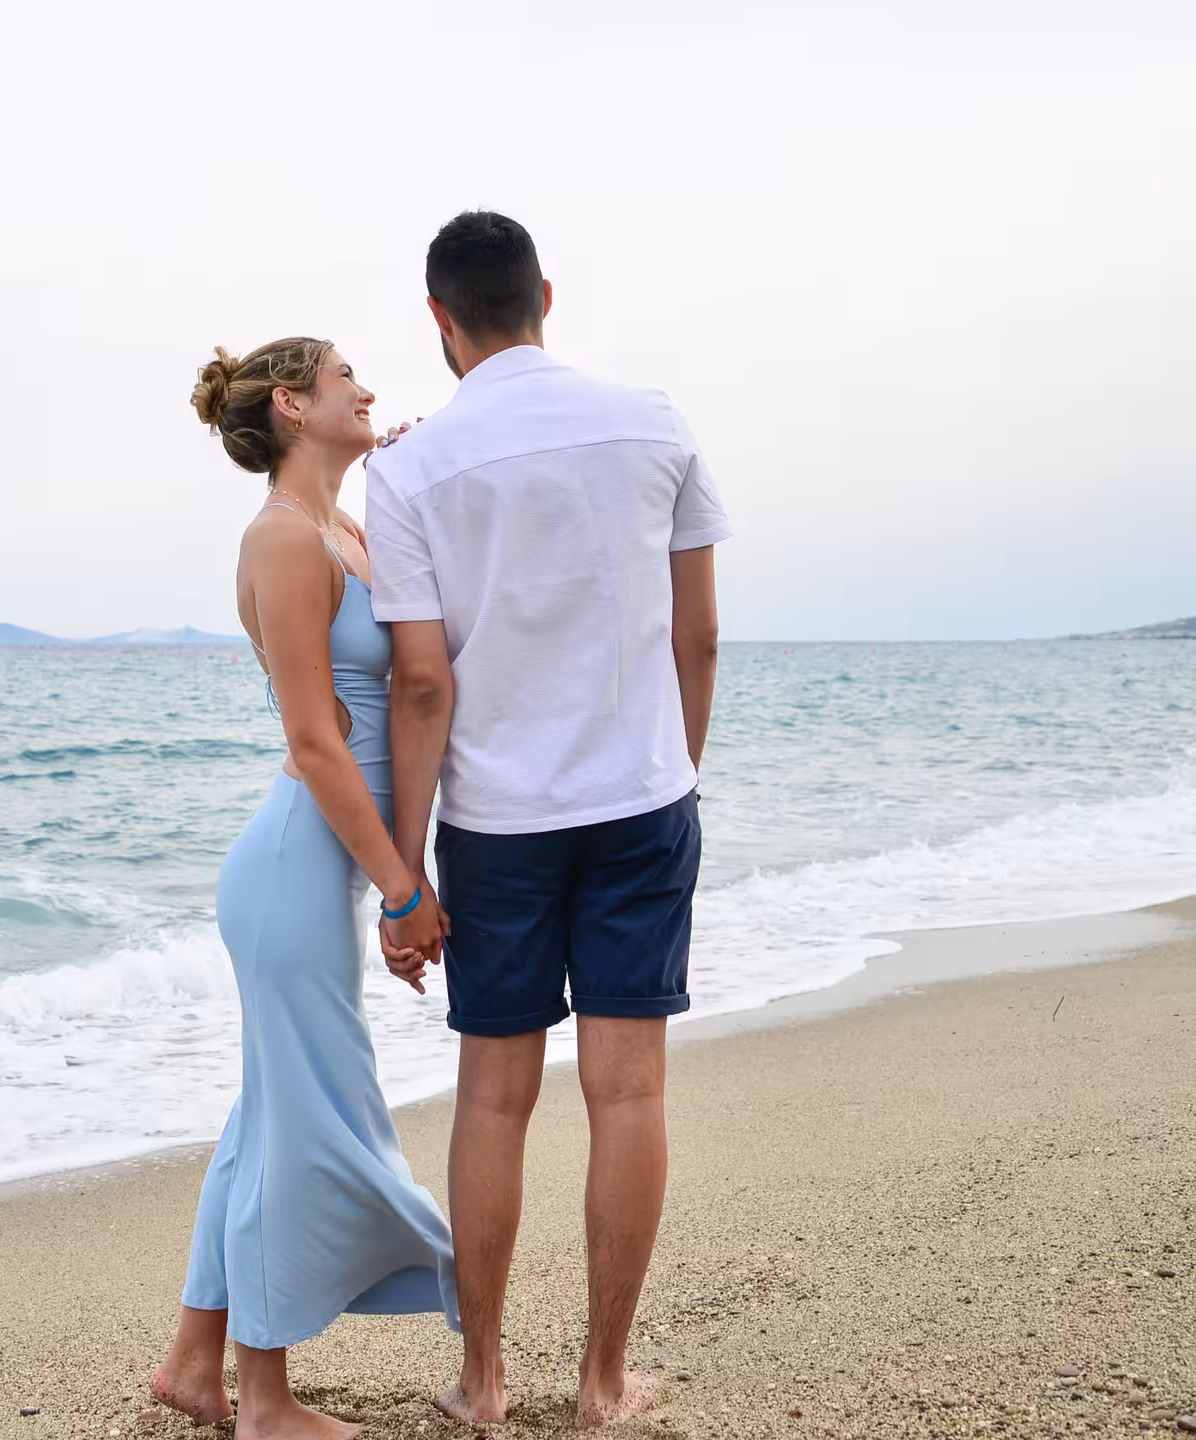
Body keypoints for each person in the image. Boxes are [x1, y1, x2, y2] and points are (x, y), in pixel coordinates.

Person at [366, 210, 729, 1429]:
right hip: (640, 799)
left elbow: (422, 684)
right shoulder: (653, 421)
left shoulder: (409, 469)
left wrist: (405, 875)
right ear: (547, 297)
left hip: (497, 821)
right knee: (627, 1093)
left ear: (441, 319)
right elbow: (699, 633)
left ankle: (482, 1381)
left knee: (494, 1096)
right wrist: (672, 770)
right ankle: (603, 1381)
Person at [148, 339, 458, 1440]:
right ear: (292, 404)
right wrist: (402, 891)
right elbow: (317, 743)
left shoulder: (350, 531)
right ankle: (266, 1401)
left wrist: (418, 470)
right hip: (294, 870)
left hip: (327, 870)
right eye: (343, 379)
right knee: (302, 1125)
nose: (366, 391)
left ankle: (195, 1363)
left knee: (267, 1115)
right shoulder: (281, 538)